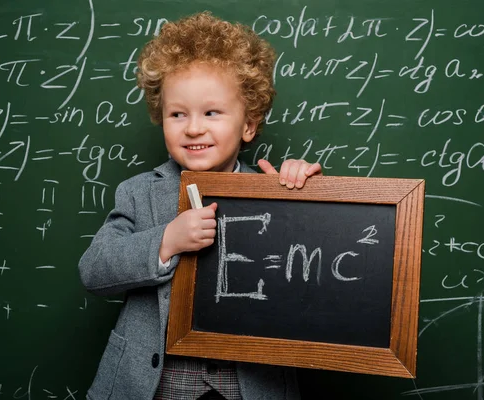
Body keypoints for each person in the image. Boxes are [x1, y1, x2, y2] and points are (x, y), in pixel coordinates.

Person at [78, 11, 322, 400]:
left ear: (248, 124)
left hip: (252, 386)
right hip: (155, 384)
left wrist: (303, 193)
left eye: (211, 112)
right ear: (161, 118)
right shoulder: (139, 193)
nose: (193, 128)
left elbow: (317, 274)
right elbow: (93, 271)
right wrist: (166, 241)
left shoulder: (274, 192)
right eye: (178, 114)